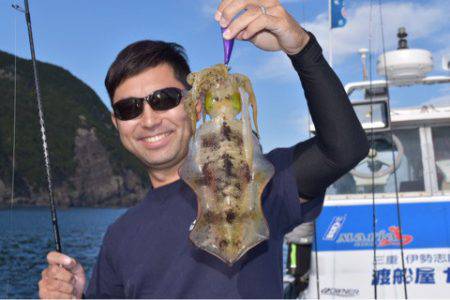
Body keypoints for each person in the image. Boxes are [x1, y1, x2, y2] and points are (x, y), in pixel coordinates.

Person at [38, 0, 369, 298]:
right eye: (130, 109)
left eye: (163, 100)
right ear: (117, 124)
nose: (149, 120)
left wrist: (300, 47)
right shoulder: (118, 238)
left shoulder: (254, 182)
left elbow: (342, 149)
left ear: (195, 105)